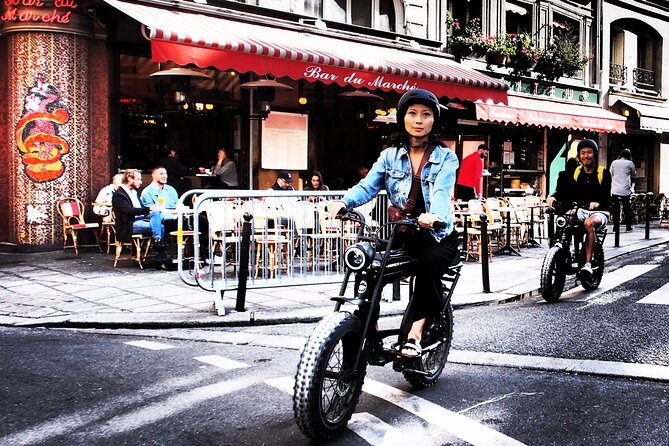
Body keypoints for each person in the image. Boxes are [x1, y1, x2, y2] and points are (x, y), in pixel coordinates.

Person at [327, 89, 460, 358]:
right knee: (367, 267)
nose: (418, 120)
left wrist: (433, 216)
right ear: (402, 118)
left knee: (429, 266)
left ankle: (415, 335)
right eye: (412, 113)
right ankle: (369, 333)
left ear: (434, 120)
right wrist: (344, 202)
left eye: (426, 114)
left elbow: (441, 192)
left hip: (436, 235)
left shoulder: (446, 157)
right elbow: (368, 186)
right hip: (402, 233)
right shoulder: (389, 155)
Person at [546, 139, 612, 279]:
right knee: (563, 219)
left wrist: (597, 203)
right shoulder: (576, 172)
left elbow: (606, 196)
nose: (586, 156)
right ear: (579, 155)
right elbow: (565, 192)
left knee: (589, 223)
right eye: (582, 153)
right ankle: (562, 251)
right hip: (581, 210)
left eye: (589, 152)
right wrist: (553, 197)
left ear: (594, 154)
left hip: (600, 212)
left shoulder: (603, 173)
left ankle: (587, 264)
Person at [140, 166, 210, 259]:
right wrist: (171, 216)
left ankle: (203, 253)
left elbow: (178, 204)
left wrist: (183, 213)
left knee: (201, 220)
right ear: (153, 175)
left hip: (178, 217)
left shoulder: (171, 189)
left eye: (165, 174)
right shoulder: (147, 192)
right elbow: (151, 213)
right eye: (161, 174)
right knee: (183, 224)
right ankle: (166, 256)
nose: (164, 176)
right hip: (163, 220)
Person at [112, 169, 167, 267]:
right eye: (138, 179)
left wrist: (153, 209)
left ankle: (157, 241)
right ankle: (160, 255)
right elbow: (130, 211)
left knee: (156, 213)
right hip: (129, 224)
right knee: (161, 227)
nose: (141, 182)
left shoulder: (134, 193)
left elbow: (142, 209)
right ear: (129, 179)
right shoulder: (119, 195)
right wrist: (149, 208)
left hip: (140, 219)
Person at [609, 148, 636, 231]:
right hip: (625, 190)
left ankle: (615, 227)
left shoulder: (614, 162)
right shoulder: (630, 163)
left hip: (615, 190)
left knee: (615, 210)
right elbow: (634, 174)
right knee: (626, 209)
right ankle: (628, 227)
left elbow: (610, 174)